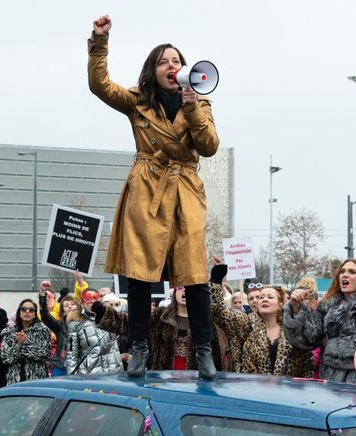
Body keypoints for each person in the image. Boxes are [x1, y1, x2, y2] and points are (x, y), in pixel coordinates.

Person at [88, 15, 220, 379]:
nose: (171, 66)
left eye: (176, 60)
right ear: (153, 69)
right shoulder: (137, 101)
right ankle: (140, 349)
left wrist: (192, 105)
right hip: (147, 188)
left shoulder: (201, 103)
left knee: (194, 275)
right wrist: (100, 41)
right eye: (163, 61)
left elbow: (208, 146)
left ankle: (204, 351)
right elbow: (100, 85)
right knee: (141, 273)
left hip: (185, 192)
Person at [283, 259, 356, 384]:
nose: (345, 275)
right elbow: (306, 340)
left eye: (352, 272)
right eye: (342, 272)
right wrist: (295, 307)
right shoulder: (327, 307)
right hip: (330, 378)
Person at [209, 264, 313, 377]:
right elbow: (218, 312)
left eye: (270, 297)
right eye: (261, 297)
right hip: (253, 390)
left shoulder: (292, 326)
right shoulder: (246, 323)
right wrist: (215, 283)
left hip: (287, 391)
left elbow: (307, 363)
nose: (264, 299)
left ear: (280, 304)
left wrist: (297, 307)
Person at [93, 286, 223, 372]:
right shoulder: (159, 316)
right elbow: (131, 324)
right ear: (175, 292)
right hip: (163, 379)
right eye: (180, 288)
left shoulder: (204, 319)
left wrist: (216, 283)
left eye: (188, 288)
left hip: (195, 380)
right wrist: (104, 313)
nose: (184, 291)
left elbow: (222, 315)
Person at [66, 289, 123, 374]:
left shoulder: (110, 318)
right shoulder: (75, 324)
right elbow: (72, 354)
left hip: (113, 369)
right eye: (88, 300)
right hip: (90, 373)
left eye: (95, 299)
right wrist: (72, 377)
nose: (92, 303)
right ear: (82, 303)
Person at [0, 299, 51, 384]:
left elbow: (45, 354)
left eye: (31, 310)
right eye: (24, 309)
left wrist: (25, 343)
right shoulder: (10, 332)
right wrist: (18, 345)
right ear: (19, 313)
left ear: (34, 314)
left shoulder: (42, 331)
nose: (27, 312)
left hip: (36, 380)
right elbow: (6, 358)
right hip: (14, 380)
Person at [39, 280, 81, 377]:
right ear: (63, 312)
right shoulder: (59, 326)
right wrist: (42, 293)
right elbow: (44, 314)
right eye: (66, 306)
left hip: (81, 367)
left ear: (79, 308)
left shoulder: (87, 324)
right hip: (61, 367)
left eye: (73, 304)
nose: (70, 307)